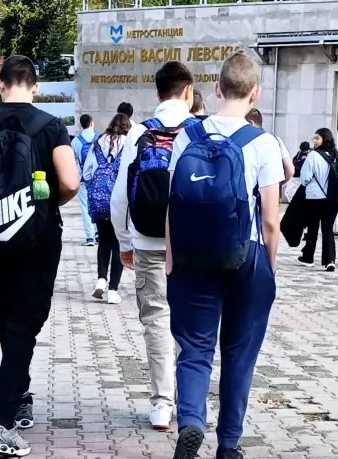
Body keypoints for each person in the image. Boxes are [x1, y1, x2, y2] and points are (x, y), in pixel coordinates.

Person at [164, 53, 282, 459]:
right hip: (245, 257)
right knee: (239, 352)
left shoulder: (187, 135)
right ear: (255, 93)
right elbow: (270, 219)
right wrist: (268, 265)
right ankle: (229, 446)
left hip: (192, 259)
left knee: (194, 349)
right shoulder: (263, 143)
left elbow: (173, 204)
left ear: (216, 88)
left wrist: (172, 258)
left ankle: (191, 424)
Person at [0, 55, 80, 457]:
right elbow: (71, 181)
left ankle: (20, 396)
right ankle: (3, 424)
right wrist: (46, 203)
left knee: (8, 318)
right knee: (25, 324)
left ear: (1, 85)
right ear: (36, 87)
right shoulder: (51, 126)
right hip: (39, 239)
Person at [111, 61, 198, 431]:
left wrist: (124, 242)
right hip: (193, 242)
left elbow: (119, 196)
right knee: (192, 321)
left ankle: (162, 403)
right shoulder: (201, 130)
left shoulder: (139, 132)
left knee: (157, 320)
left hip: (148, 241)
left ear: (158, 93)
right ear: (189, 91)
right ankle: (190, 401)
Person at [82, 113, 131, 305]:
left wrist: (96, 186)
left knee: (103, 241)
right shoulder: (129, 142)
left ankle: (101, 280)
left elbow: (87, 173)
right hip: (120, 202)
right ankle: (113, 290)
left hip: (99, 201)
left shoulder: (98, 142)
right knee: (118, 244)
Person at [298, 128, 338, 271]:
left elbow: (305, 178)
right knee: (328, 228)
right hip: (332, 197)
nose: (314, 141)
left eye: (317, 138)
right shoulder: (335, 155)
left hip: (315, 196)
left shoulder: (313, 155)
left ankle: (308, 257)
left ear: (324, 139)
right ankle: (330, 260)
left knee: (313, 228)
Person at [72, 114, 98, 246]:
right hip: (98, 179)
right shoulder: (100, 138)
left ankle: (90, 237)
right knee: (99, 204)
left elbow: (73, 162)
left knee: (85, 207)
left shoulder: (75, 141)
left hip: (83, 179)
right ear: (92, 123)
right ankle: (99, 233)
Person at [246, 108, 294, 181]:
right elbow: (290, 170)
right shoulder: (276, 140)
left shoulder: (246, 143)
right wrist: (279, 184)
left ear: (250, 123)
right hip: (273, 186)